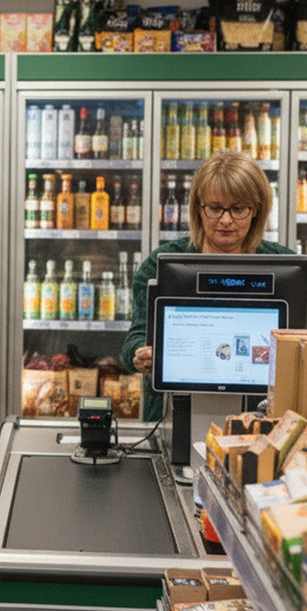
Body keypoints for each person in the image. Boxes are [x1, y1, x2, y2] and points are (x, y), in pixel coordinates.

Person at [122, 149, 296, 421]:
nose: (225, 220)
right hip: (172, 418)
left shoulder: (286, 264)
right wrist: (138, 354)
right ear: (198, 209)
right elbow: (135, 337)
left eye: (238, 209)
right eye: (215, 208)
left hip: (265, 419)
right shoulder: (159, 264)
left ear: (256, 211)